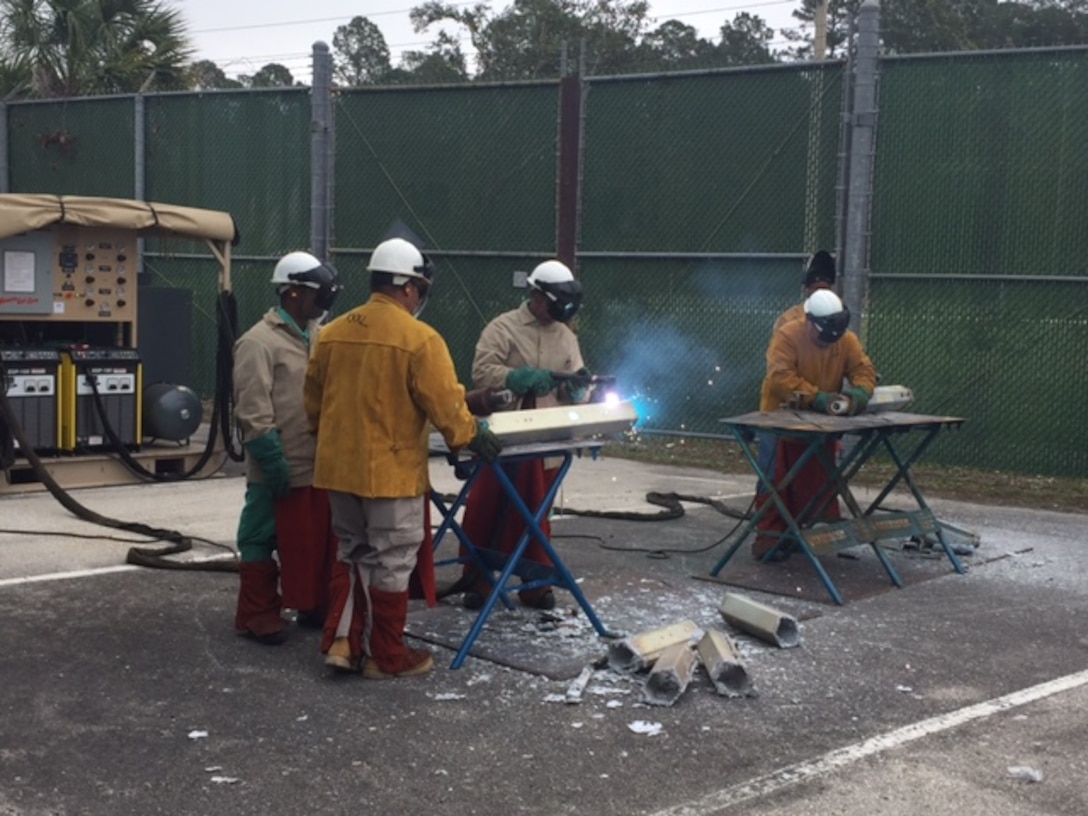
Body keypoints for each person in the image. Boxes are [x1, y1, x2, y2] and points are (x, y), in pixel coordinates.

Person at [305, 237, 502, 679]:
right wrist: (472, 435)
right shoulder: (419, 339)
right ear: (410, 287)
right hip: (390, 475)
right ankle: (385, 656)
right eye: (420, 288)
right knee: (391, 561)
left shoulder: (332, 334)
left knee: (352, 553)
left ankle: (342, 642)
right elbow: (446, 406)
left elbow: (313, 406)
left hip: (337, 469)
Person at [456, 259, 589, 611]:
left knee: (535, 515)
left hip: (546, 443)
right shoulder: (503, 328)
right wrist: (513, 378)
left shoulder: (566, 337)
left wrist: (577, 391)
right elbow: (481, 371)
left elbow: (574, 385)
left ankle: (535, 582)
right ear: (536, 295)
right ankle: (478, 580)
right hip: (500, 441)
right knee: (487, 510)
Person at [233, 251, 342, 645]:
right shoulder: (258, 343)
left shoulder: (319, 335)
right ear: (293, 292)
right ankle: (257, 613)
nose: (324, 300)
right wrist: (271, 456)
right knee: (260, 534)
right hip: (276, 465)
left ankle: (313, 603)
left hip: (318, 463)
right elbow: (252, 408)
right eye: (317, 292)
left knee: (315, 539)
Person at [754, 289, 877, 560]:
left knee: (813, 479)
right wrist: (817, 398)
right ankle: (768, 537)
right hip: (779, 418)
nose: (827, 343)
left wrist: (860, 394)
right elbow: (781, 377)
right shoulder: (787, 336)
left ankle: (805, 532)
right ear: (810, 322)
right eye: (823, 337)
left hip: (818, 423)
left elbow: (863, 370)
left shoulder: (845, 340)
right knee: (774, 478)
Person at [772, 250, 836, 333]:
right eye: (816, 289)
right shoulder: (788, 320)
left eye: (825, 290)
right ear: (807, 290)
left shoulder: (837, 321)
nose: (821, 295)